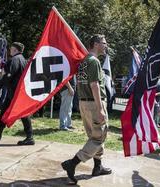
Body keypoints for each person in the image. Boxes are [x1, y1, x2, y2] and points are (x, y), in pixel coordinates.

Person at [61, 34, 111, 184]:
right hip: (95, 104)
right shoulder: (94, 61)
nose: (106, 45)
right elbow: (94, 85)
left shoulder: (83, 62)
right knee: (98, 137)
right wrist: (100, 108)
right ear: (95, 44)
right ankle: (72, 163)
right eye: (103, 42)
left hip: (84, 103)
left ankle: (98, 166)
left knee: (94, 136)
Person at [0, 42, 35, 146]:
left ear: (15, 49)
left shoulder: (15, 59)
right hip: (15, 91)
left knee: (23, 113)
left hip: (16, 92)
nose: (9, 50)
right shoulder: (23, 59)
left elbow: (8, 75)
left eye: (11, 49)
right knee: (4, 110)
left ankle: (30, 137)